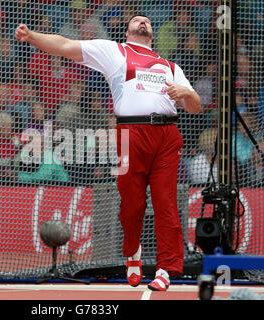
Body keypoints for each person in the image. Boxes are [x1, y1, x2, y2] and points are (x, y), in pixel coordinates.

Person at [15, 13, 201, 291]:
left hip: (167, 136)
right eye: (137, 20)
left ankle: (165, 269)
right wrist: (32, 36)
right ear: (127, 31)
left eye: (148, 21)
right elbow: (64, 44)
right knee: (131, 205)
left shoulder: (170, 67)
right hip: (130, 135)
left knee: (166, 203)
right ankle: (133, 253)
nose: (143, 22)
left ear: (152, 32)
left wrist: (185, 94)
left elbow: (196, 106)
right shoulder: (114, 51)